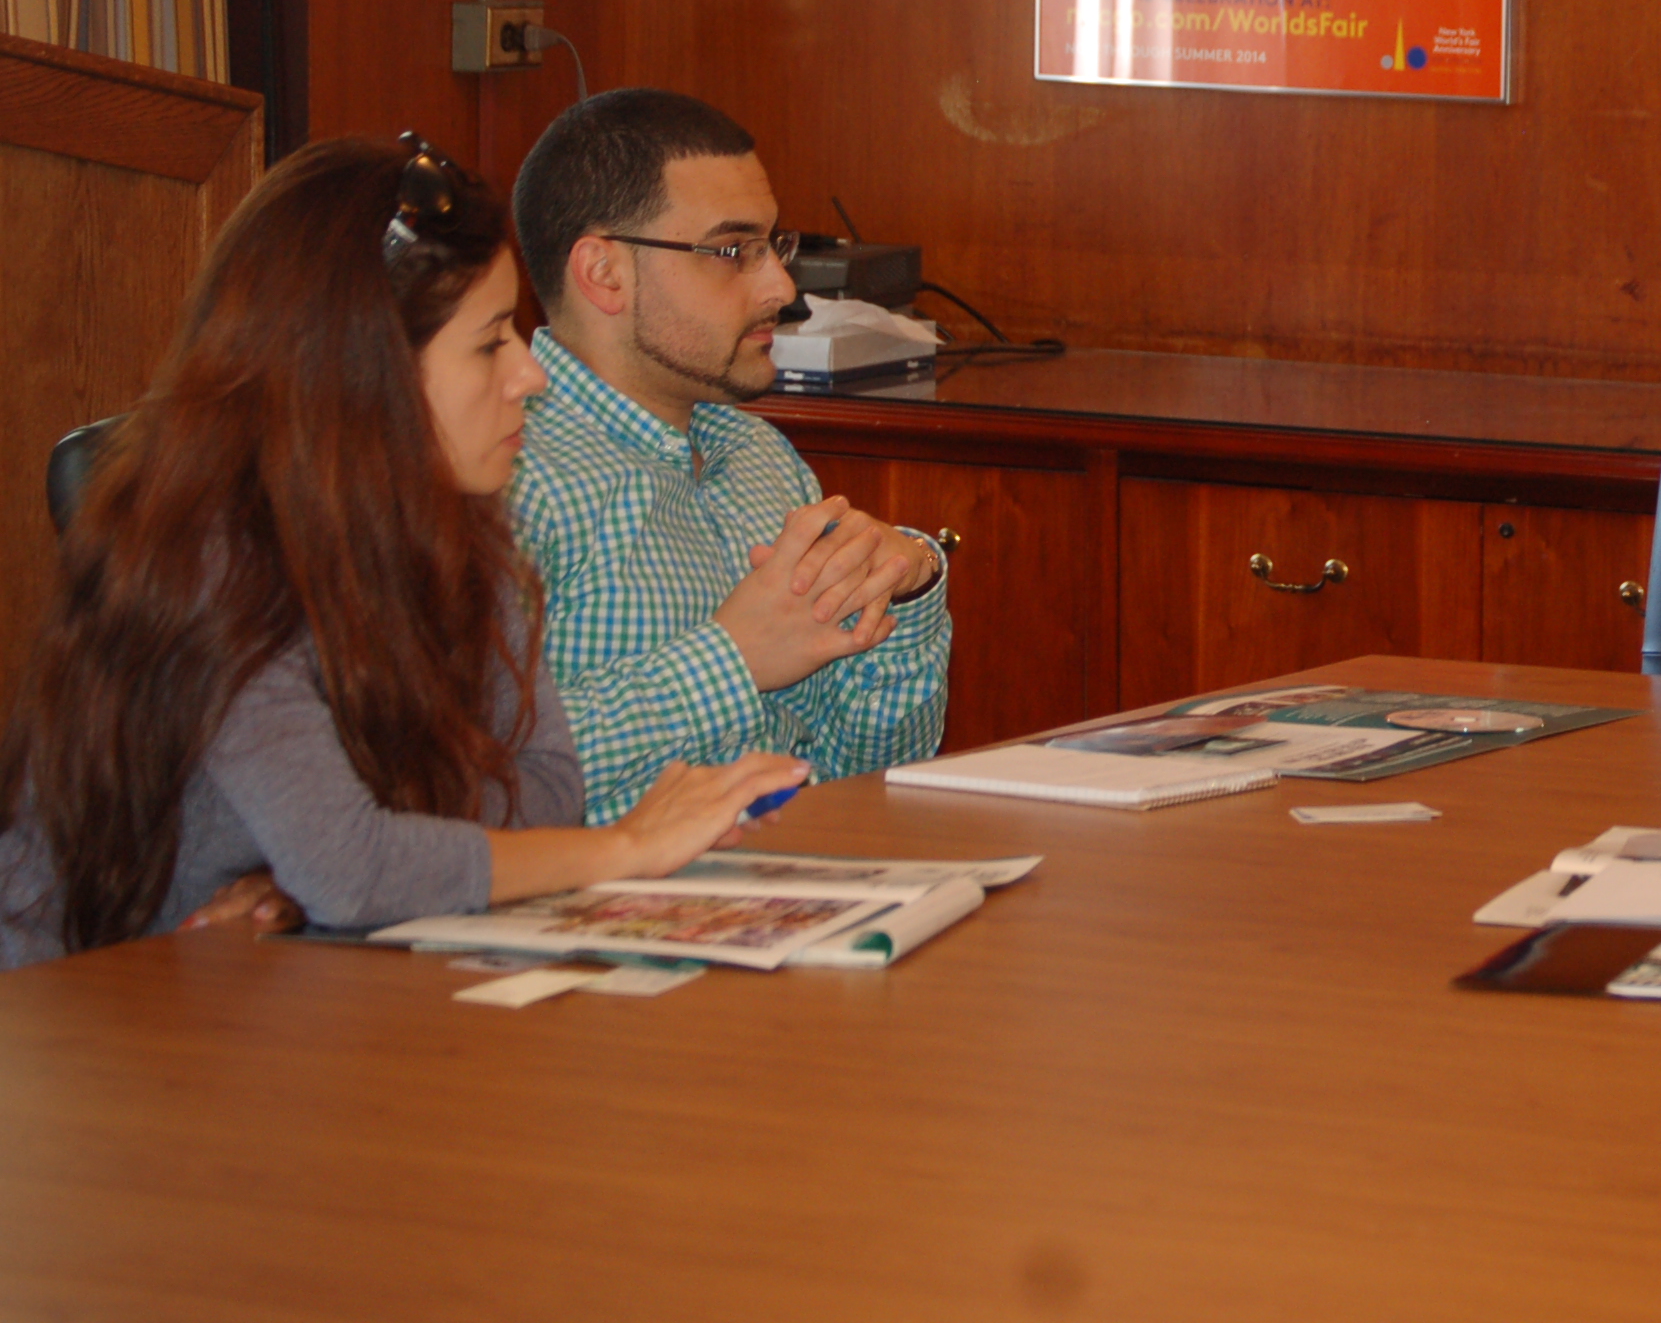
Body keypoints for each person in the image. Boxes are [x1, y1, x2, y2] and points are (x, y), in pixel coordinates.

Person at [0, 137, 804, 968]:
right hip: (88, 1003)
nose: (529, 375)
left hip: (289, 987)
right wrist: (628, 847)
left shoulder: (465, 528)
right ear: (361, 370)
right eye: (490, 343)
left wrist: (342, 868)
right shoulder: (213, 564)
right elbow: (353, 870)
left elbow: (543, 787)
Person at [508, 90, 950, 823]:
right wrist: (732, 661)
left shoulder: (757, 455)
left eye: (774, 246)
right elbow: (474, 783)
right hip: (596, 890)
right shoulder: (509, 477)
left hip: (796, 871)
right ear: (604, 273)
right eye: (731, 251)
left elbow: (863, 777)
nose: (782, 286)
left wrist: (902, 587)